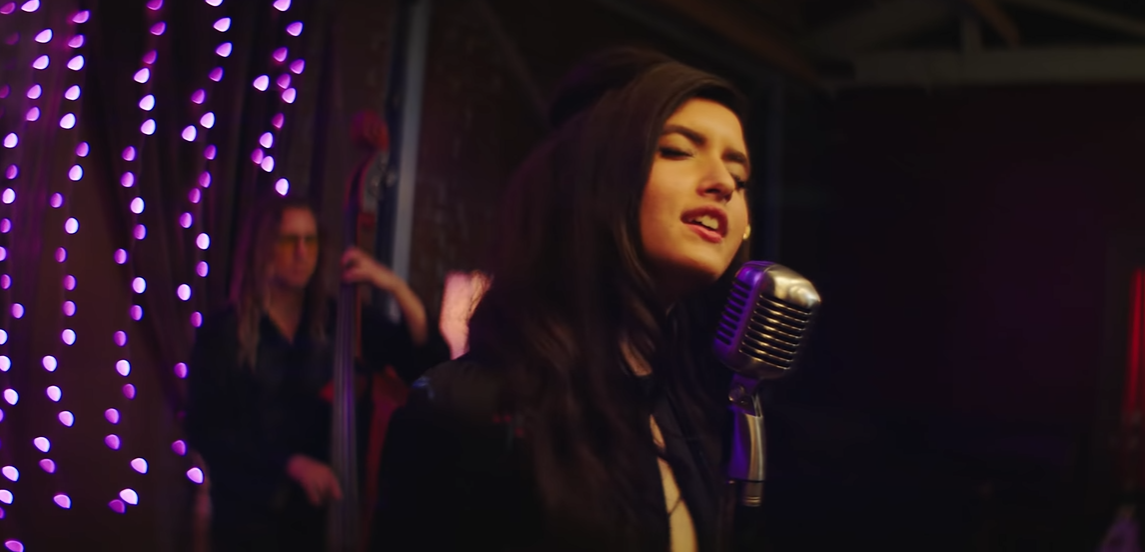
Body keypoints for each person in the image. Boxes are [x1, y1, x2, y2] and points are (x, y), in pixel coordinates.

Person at [370, 48, 758, 552]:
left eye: (739, 177)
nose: (724, 183)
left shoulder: (698, 417)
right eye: (678, 150)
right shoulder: (463, 410)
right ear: (593, 177)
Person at [185, 194, 450, 551]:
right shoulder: (223, 333)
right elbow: (206, 429)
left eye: (310, 240)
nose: (302, 252)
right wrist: (289, 464)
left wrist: (395, 287)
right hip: (249, 520)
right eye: (289, 240)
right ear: (263, 248)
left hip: (322, 521)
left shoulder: (340, 321)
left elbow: (429, 366)